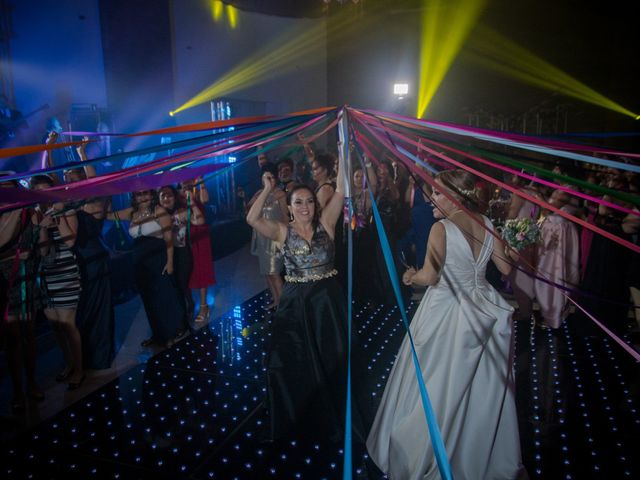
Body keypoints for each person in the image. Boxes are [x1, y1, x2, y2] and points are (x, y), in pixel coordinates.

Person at [367, 169, 526, 480]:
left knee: (436, 382)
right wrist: (518, 249)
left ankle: (428, 453)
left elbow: (430, 277)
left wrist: (410, 275)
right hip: (484, 307)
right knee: (478, 387)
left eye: (437, 194)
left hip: (448, 309)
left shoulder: (441, 228)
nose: (431, 201)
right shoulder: (487, 223)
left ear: (455, 195)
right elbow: (506, 267)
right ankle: (474, 451)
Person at [246, 150, 351, 443]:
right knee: (296, 357)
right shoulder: (282, 231)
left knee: (331, 354)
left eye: (308, 202)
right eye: (298, 202)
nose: (304, 207)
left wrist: (342, 154)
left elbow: (342, 190)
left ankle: (333, 406)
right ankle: (301, 408)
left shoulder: (326, 223)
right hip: (295, 300)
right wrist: (268, 188)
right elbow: (252, 218)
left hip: (326, 300)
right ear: (290, 207)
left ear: (315, 206)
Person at [110, 189, 186, 347]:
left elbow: (168, 240)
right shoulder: (131, 213)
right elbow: (109, 215)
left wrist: (170, 262)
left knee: (164, 298)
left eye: (146, 193)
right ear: (134, 197)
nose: (143, 197)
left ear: (152, 195)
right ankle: (157, 334)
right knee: (148, 299)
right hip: (140, 262)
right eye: (139, 194)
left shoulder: (160, 211)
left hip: (158, 259)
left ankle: (170, 334)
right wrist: (108, 195)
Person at [31, 174, 85, 389]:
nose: (44, 194)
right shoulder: (34, 215)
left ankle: (79, 369)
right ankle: (69, 363)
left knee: (68, 324)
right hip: (45, 275)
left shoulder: (67, 209)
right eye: (39, 191)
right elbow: (42, 250)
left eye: (47, 189)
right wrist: (43, 226)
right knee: (55, 326)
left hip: (66, 273)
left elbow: (71, 241)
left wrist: (59, 215)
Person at [68, 140, 115, 370]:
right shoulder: (71, 204)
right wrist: (47, 150)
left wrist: (82, 153)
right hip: (77, 262)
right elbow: (49, 183)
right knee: (82, 313)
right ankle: (83, 357)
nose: (69, 182)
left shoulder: (95, 203)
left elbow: (93, 182)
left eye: (73, 178)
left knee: (97, 310)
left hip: (95, 261)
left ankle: (99, 358)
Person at [0, 173, 43, 410]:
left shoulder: (30, 213)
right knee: (12, 339)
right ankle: (17, 390)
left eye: (9, 189)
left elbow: (41, 244)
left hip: (26, 280)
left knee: (28, 335)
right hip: (3, 283)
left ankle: (32, 383)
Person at [533, 189, 580, 329]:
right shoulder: (567, 222)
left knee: (548, 283)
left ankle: (551, 316)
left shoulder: (556, 222)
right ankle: (554, 314)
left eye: (553, 197)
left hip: (550, 260)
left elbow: (544, 243)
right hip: (557, 260)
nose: (549, 199)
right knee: (558, 280)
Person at [247, 163, 287, 310]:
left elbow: (285, 216)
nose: (269, 180)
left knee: (275, 272)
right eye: (265, 177)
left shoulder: (280, 194)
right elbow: (249, 211)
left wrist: (286, 237)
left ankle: (284, 307)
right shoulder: (259, 194)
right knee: (266, 273)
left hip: (274, 238)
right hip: (261, 238)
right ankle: (276, 300)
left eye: (271, 177)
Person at [180, 178, 216, 323]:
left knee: (201, 271)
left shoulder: (197, 195)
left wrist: (201, 182)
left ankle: (203, 306)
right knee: (186, 271)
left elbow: (205, 199)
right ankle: (189, 304)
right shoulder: (177, 199)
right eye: (183, 185)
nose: (186, 187)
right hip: (185, 236)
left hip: (200, 236)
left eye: (188, 185)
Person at [159, 184, 194, 325]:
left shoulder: (181, 211)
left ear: (175, 198)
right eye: (163, 195)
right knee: (173, 286)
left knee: (181, 284)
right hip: (163, 254)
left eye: (169, 195)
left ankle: (186, 311)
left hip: (181, 252)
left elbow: (194, 218)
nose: (166, 198)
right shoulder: (156, 214)